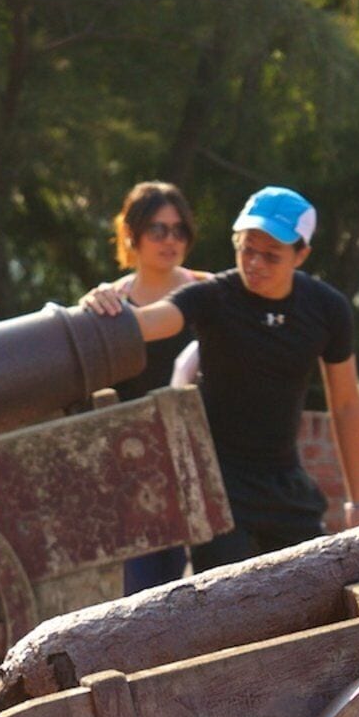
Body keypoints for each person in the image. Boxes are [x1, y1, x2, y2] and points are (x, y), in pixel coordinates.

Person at [86, 185, 359, 568]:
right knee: (226, 598)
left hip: (284, 481)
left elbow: (347, 403)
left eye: (271, 256)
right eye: (246, 249)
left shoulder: (326, 309)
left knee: (319, 580)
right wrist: (101, 309)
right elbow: (151, 320)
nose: (254, 263)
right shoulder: (216, 295)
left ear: (301, 254)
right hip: (217, 482)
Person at [103, 182, 206, 592]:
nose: (170, 240)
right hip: (131, 463)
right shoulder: (109, 303)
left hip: (197, 456)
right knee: (142, 586)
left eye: (179, 230)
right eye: (158, 230)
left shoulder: (209, 291)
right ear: (132, 234)